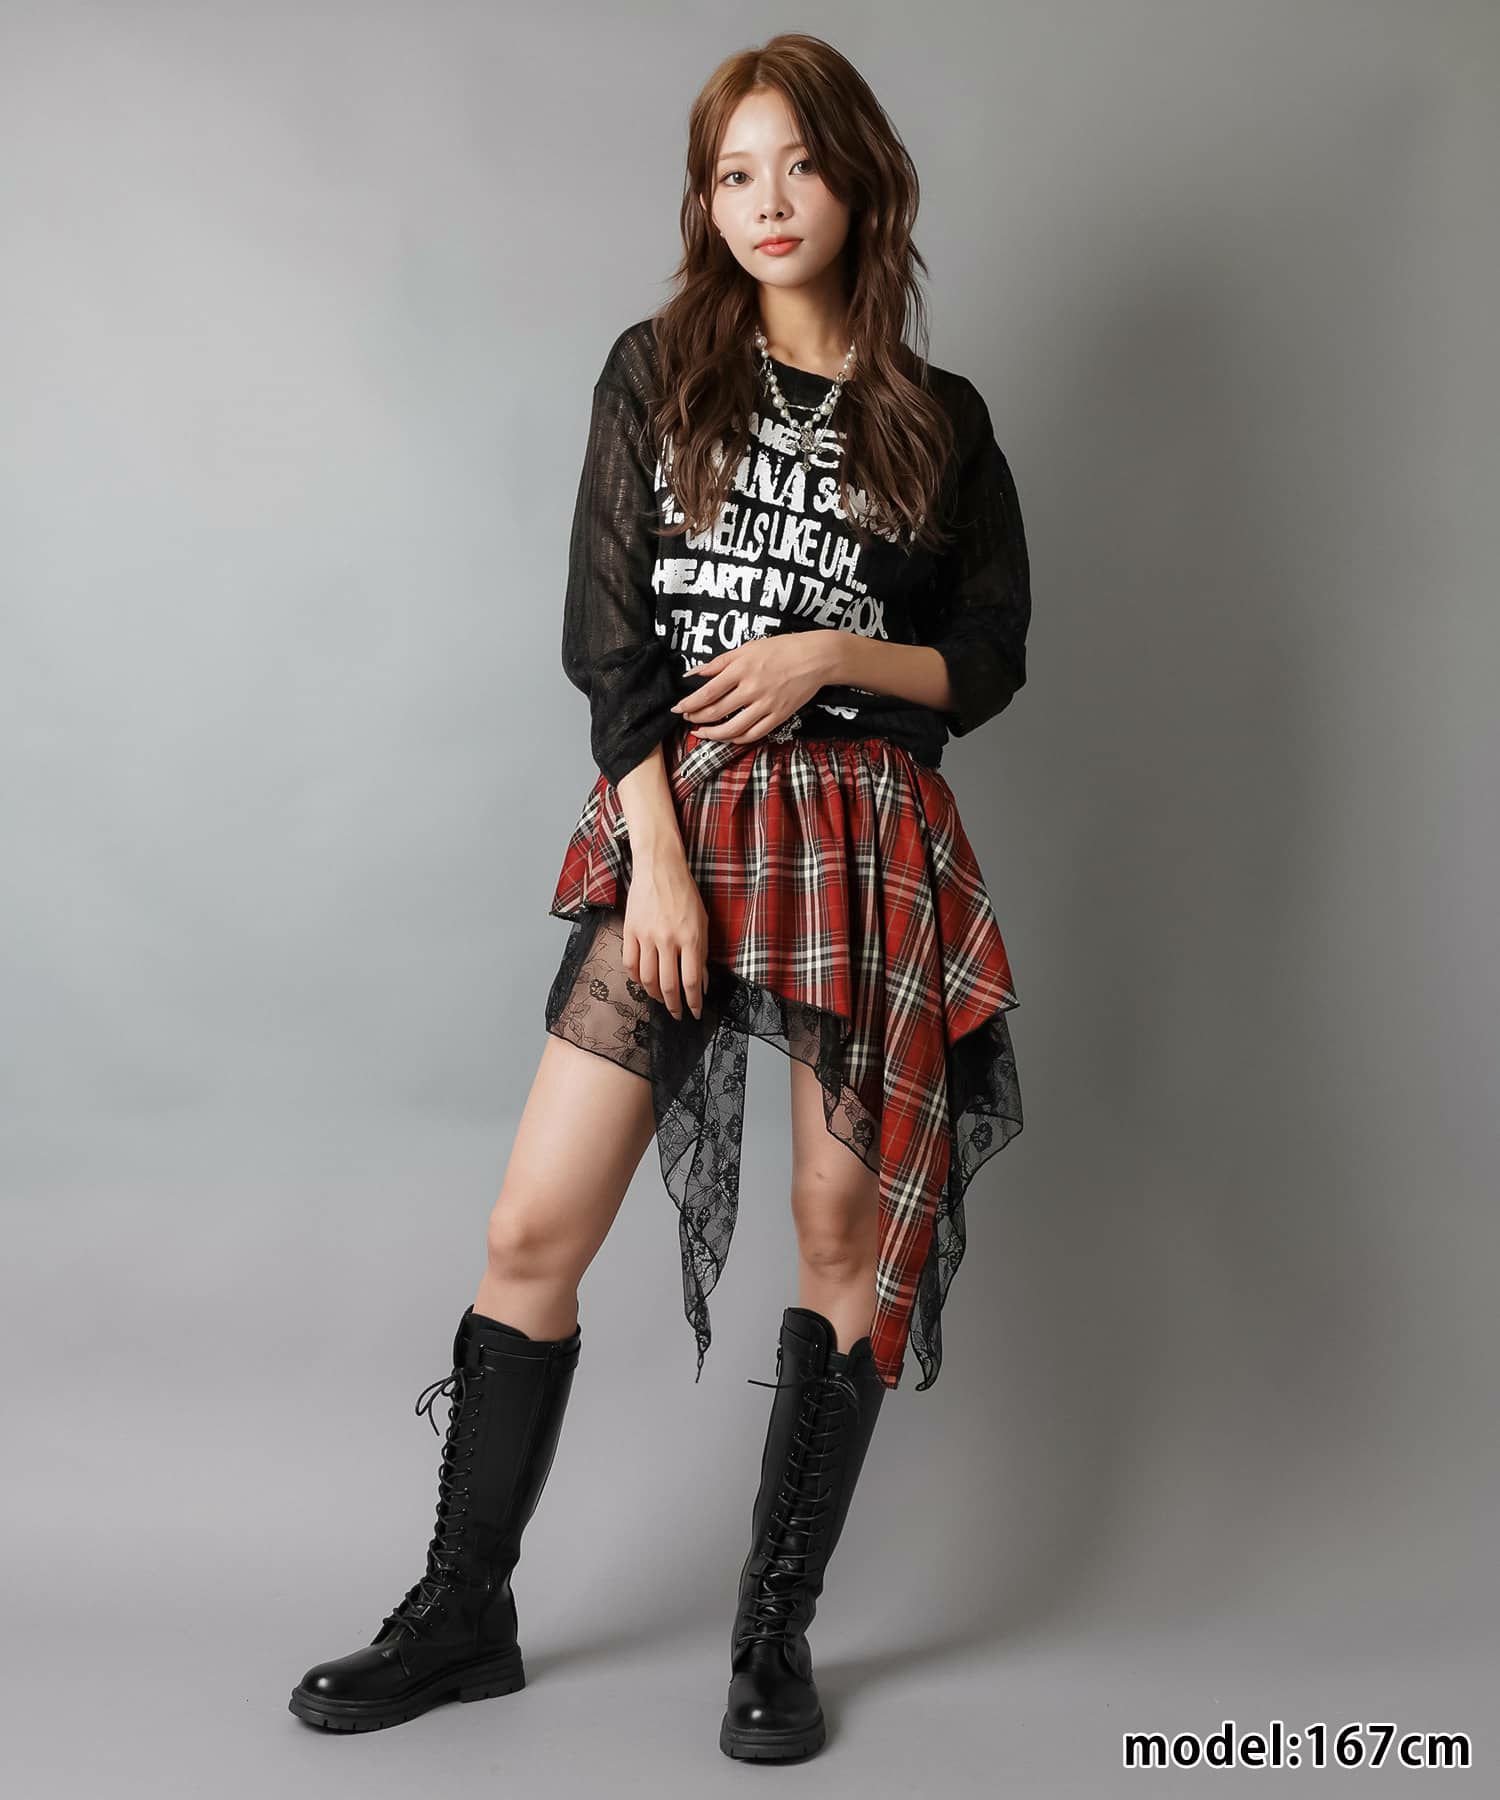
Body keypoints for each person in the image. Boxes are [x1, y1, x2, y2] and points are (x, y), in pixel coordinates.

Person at [288, 30, 1031, 1763]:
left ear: (862, 180)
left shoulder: (943, 420)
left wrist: (831, 654)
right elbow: (609, 642)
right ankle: (465, 1611)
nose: (768, 201)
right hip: (682, 825)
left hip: (863, 846)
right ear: (709, 200)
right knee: (533, 1230)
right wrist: (661, 863)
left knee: (840, 1239)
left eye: (799, 164)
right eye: (734, 173)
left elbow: (988, 660)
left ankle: (774, 1636)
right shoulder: (662, 373)